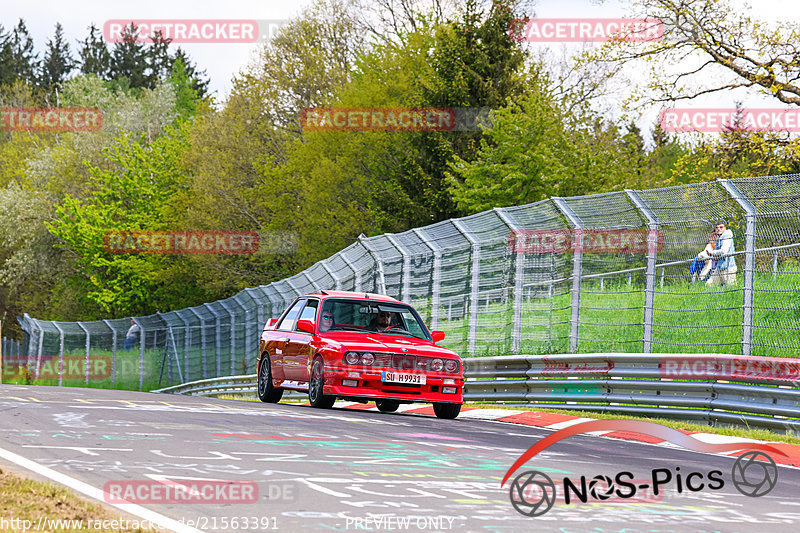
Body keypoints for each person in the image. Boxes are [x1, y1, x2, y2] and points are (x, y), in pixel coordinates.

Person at [706, 220, 737, 286]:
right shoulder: (718, 237)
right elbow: (718, 253)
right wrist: (712, 255)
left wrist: (712, 253)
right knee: (709, 284)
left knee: (731, 288)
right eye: (717, 228)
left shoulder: (727, 236)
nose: (719, 229)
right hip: (719, 267)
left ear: (725, 228)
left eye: (721, 227)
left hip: (728, 267)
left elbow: (724, 251)